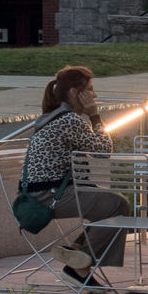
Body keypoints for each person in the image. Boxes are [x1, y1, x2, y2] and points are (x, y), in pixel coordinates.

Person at [18, 66, 128, 280]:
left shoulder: (55, 117)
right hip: (48, 197)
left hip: (44, 192)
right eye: (90, 89)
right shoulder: (68, 120)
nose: (95, 96)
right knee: (117, 205)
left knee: (111, 203)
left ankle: (77, 252)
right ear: (74, 93)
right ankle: (80, 263)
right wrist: (96, 116)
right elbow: (104, 152)